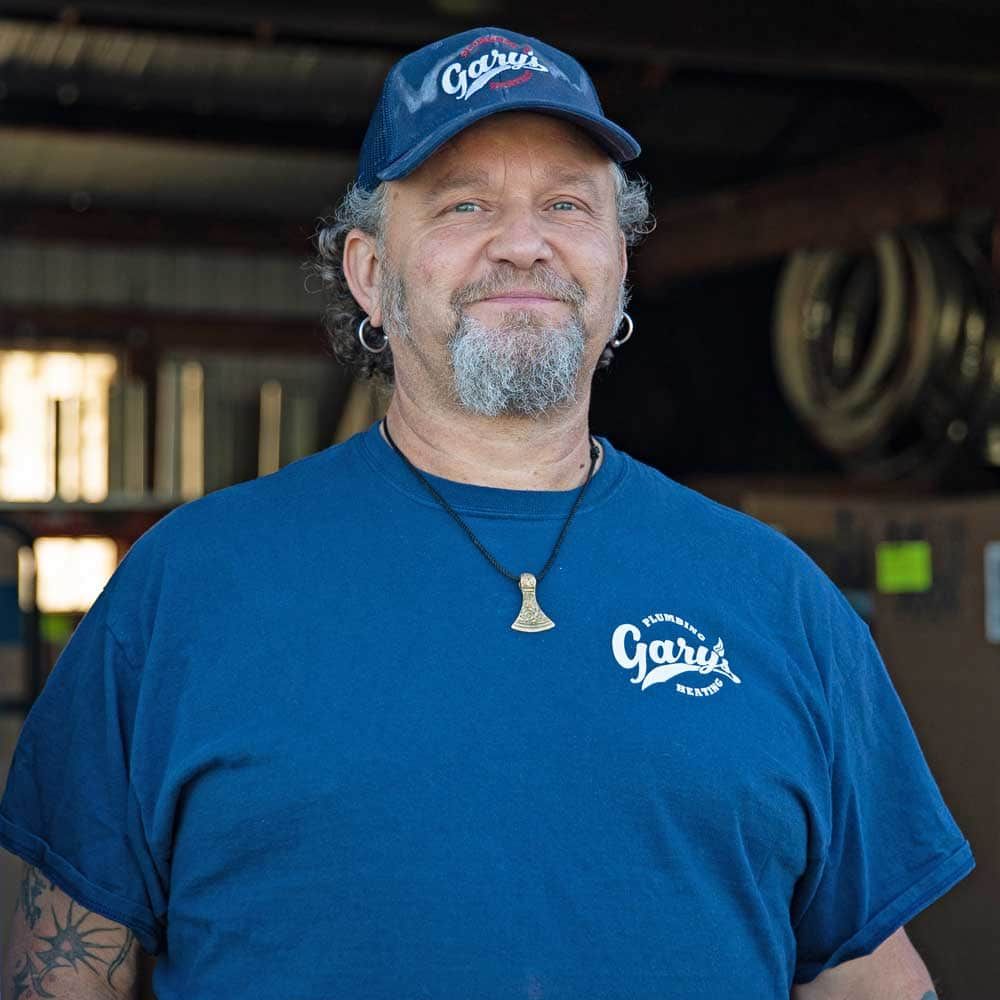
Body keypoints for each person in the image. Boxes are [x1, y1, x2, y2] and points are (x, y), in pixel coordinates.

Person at [0, 26, 974, 1000]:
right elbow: (64, 964)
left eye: (565, 204)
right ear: (370, 275)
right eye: (464, 204)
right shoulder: (189, 587)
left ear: (618, 267)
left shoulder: (776, 599)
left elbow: (865, 972)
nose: (522, 241)